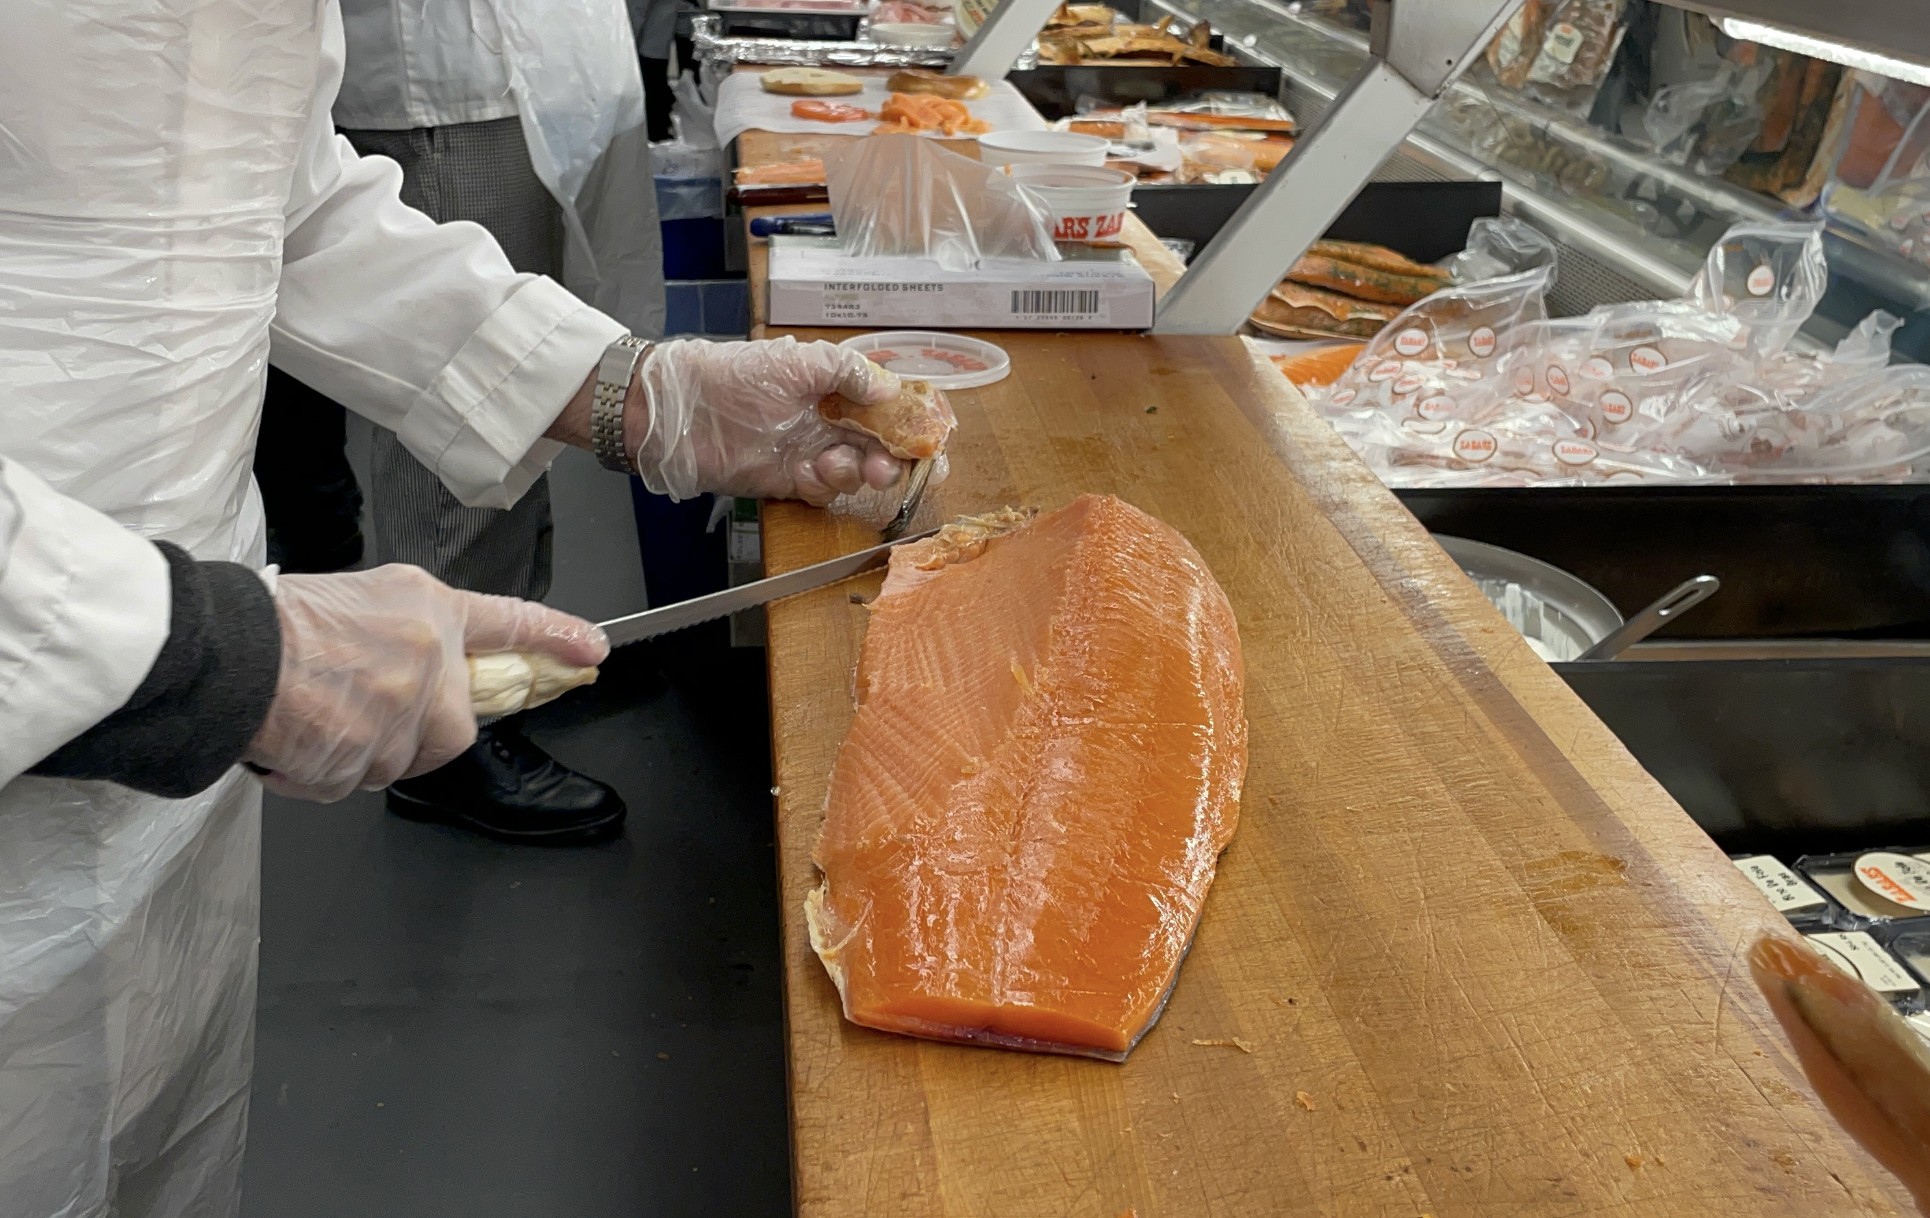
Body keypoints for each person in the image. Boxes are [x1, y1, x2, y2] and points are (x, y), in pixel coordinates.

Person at [0, 1, 911, 1212]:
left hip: (180, 746)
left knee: (156, 1148)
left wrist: (631, 394)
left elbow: (278, 196)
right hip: (85, 667)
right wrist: (198, 651)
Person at [250, 0, 667, 846]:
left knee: (514, 379)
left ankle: (502, 667)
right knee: (464, 402)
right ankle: (446, 741)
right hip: (448, 72)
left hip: (540, 70)